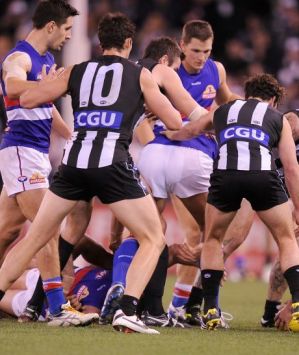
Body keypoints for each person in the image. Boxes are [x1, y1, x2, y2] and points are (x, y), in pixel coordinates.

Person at [0, 12, 182, 334]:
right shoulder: (139, 75)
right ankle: (128, 310)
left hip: (73, 165)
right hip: (112, 164)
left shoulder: (76, 71)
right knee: (152, 237)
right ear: (128, 43)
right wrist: (147, 108)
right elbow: (174, 121)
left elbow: (26, 98)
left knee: (36, 239)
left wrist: (50, 82)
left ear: (100, 43)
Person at [164, 73, 299, 332]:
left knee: (213, 239)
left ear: (247, 95)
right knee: (286, 239)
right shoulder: (277, 118)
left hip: (226, 176)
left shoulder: (224, 110)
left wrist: (170, 135)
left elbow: (191, 130)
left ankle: (211, 310)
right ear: (272, 100)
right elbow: (291, 169)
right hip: (263, 177)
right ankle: (298, 306)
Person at [0, 0, 101, 327]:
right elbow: (13, 85)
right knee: (46, 229)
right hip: (21, 152)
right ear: (51, 26)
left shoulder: (46, 59)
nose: (70, 36)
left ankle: (36, 306)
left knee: (6, 232)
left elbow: (47, 107)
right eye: (68, 29)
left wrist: (71, 134)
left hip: (34, 154)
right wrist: (48, 85)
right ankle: (55, 307)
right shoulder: (21, 57)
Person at [136, 20, 242, 322]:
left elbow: (226, 100)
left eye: (207, 51)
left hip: (198, 160)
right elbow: (142, 119)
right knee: (157, 232)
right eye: (196, 51)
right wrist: (156, 147)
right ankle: (153, 303)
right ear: (182, 47)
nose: (201, 57)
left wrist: (250, 107)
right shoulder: (165, 72)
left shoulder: (216, 70)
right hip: (169, 156)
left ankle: (188, 305)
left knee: (210, 234)